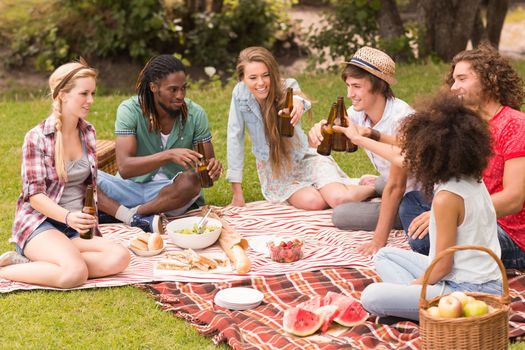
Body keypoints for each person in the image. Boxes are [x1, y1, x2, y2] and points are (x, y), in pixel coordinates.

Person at [357, 92, 502, 321]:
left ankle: (419, 310)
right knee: (384, 255)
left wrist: (414, 288)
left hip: (468, 293)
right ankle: (413, 308)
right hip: (475, 278)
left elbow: (443, 267)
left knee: (371, 296)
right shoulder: (472, 177)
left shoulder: (447, 197)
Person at [1, 60, 130, 289]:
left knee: (119, 257)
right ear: (62, 95)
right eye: (84, 93)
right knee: (75, 274)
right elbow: (35, 196)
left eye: (92, 93)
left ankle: (44, 262)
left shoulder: (88, 132)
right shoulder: (37, 137)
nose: (91, 100)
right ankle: (12, 268)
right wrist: (68, 217)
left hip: (73, 230)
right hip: (41, 225)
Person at [398, 44, 525, 265]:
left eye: (463, 79)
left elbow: (513, 199)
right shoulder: (468, 123)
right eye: (454, 80)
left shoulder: (516, 125)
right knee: (412, 200)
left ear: (491, 78)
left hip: (509, 233)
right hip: (473, 213)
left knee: (425, 239)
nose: (454, 87)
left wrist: (442, 217)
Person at [96, 55, 223, 232]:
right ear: (154, 87)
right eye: (173, 90)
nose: (180, 96)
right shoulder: (130, 110)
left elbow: (206, 171)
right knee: (86, 176)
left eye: (183, 89)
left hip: (171, 193)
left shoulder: (195, 114)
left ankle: (131, 215)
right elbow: (125, 168)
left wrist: (213, 169)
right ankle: (136, 217)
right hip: (129, 188)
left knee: (191, 182)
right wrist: (168, 155)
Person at [308, 46, 416, 255]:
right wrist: (318, 131)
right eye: (348, 86)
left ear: (378, 86)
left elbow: (396, 187)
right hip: (395, 180)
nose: (350, 94)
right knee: (383, 181)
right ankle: (376, 185)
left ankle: (381, 191)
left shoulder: (401, 119)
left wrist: (378, 241)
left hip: (415, 195)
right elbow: (331, 133)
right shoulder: (359, 113)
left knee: (341, 215)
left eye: (356, 86)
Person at [227, 46, 363, 210]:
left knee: (339, 200)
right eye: (253, 78)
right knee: (314, 202)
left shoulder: (287, 86)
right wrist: (237, 192)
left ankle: (372, 188)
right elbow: (235, 138)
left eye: (266, 75)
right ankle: (336, 188)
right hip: (277, 170)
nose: (261, 83)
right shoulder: (240, 95)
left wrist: (298, 103)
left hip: (304, 156)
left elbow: (301, 99)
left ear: (273, 73)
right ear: (242, 79)